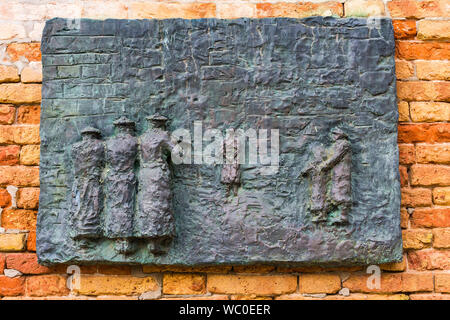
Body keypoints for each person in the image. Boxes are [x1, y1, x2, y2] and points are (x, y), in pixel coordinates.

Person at [135, 114, 175, 254]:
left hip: (145, 173)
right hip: (158, 173)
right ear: (161, 124)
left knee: (146, 205)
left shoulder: (142, 138)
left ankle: (148, 236)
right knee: (159, 204)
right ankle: (158, 237)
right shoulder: (164, 135)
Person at [104, 116, 138, 254]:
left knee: (115, 207)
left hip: (113, 178)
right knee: (127, 207)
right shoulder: (134, 141)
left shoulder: (109, 142)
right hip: (128, 178)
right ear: (129, 128)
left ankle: (118, 237)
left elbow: (106, 160)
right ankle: (126, 238)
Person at [70, 127, 105, 242]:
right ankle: (89, 230)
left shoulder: (75, 147)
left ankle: (81, 230)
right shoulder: (101, 146)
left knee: (81, 204)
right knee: (92, 203)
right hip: (93, 180)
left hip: (81, 180)